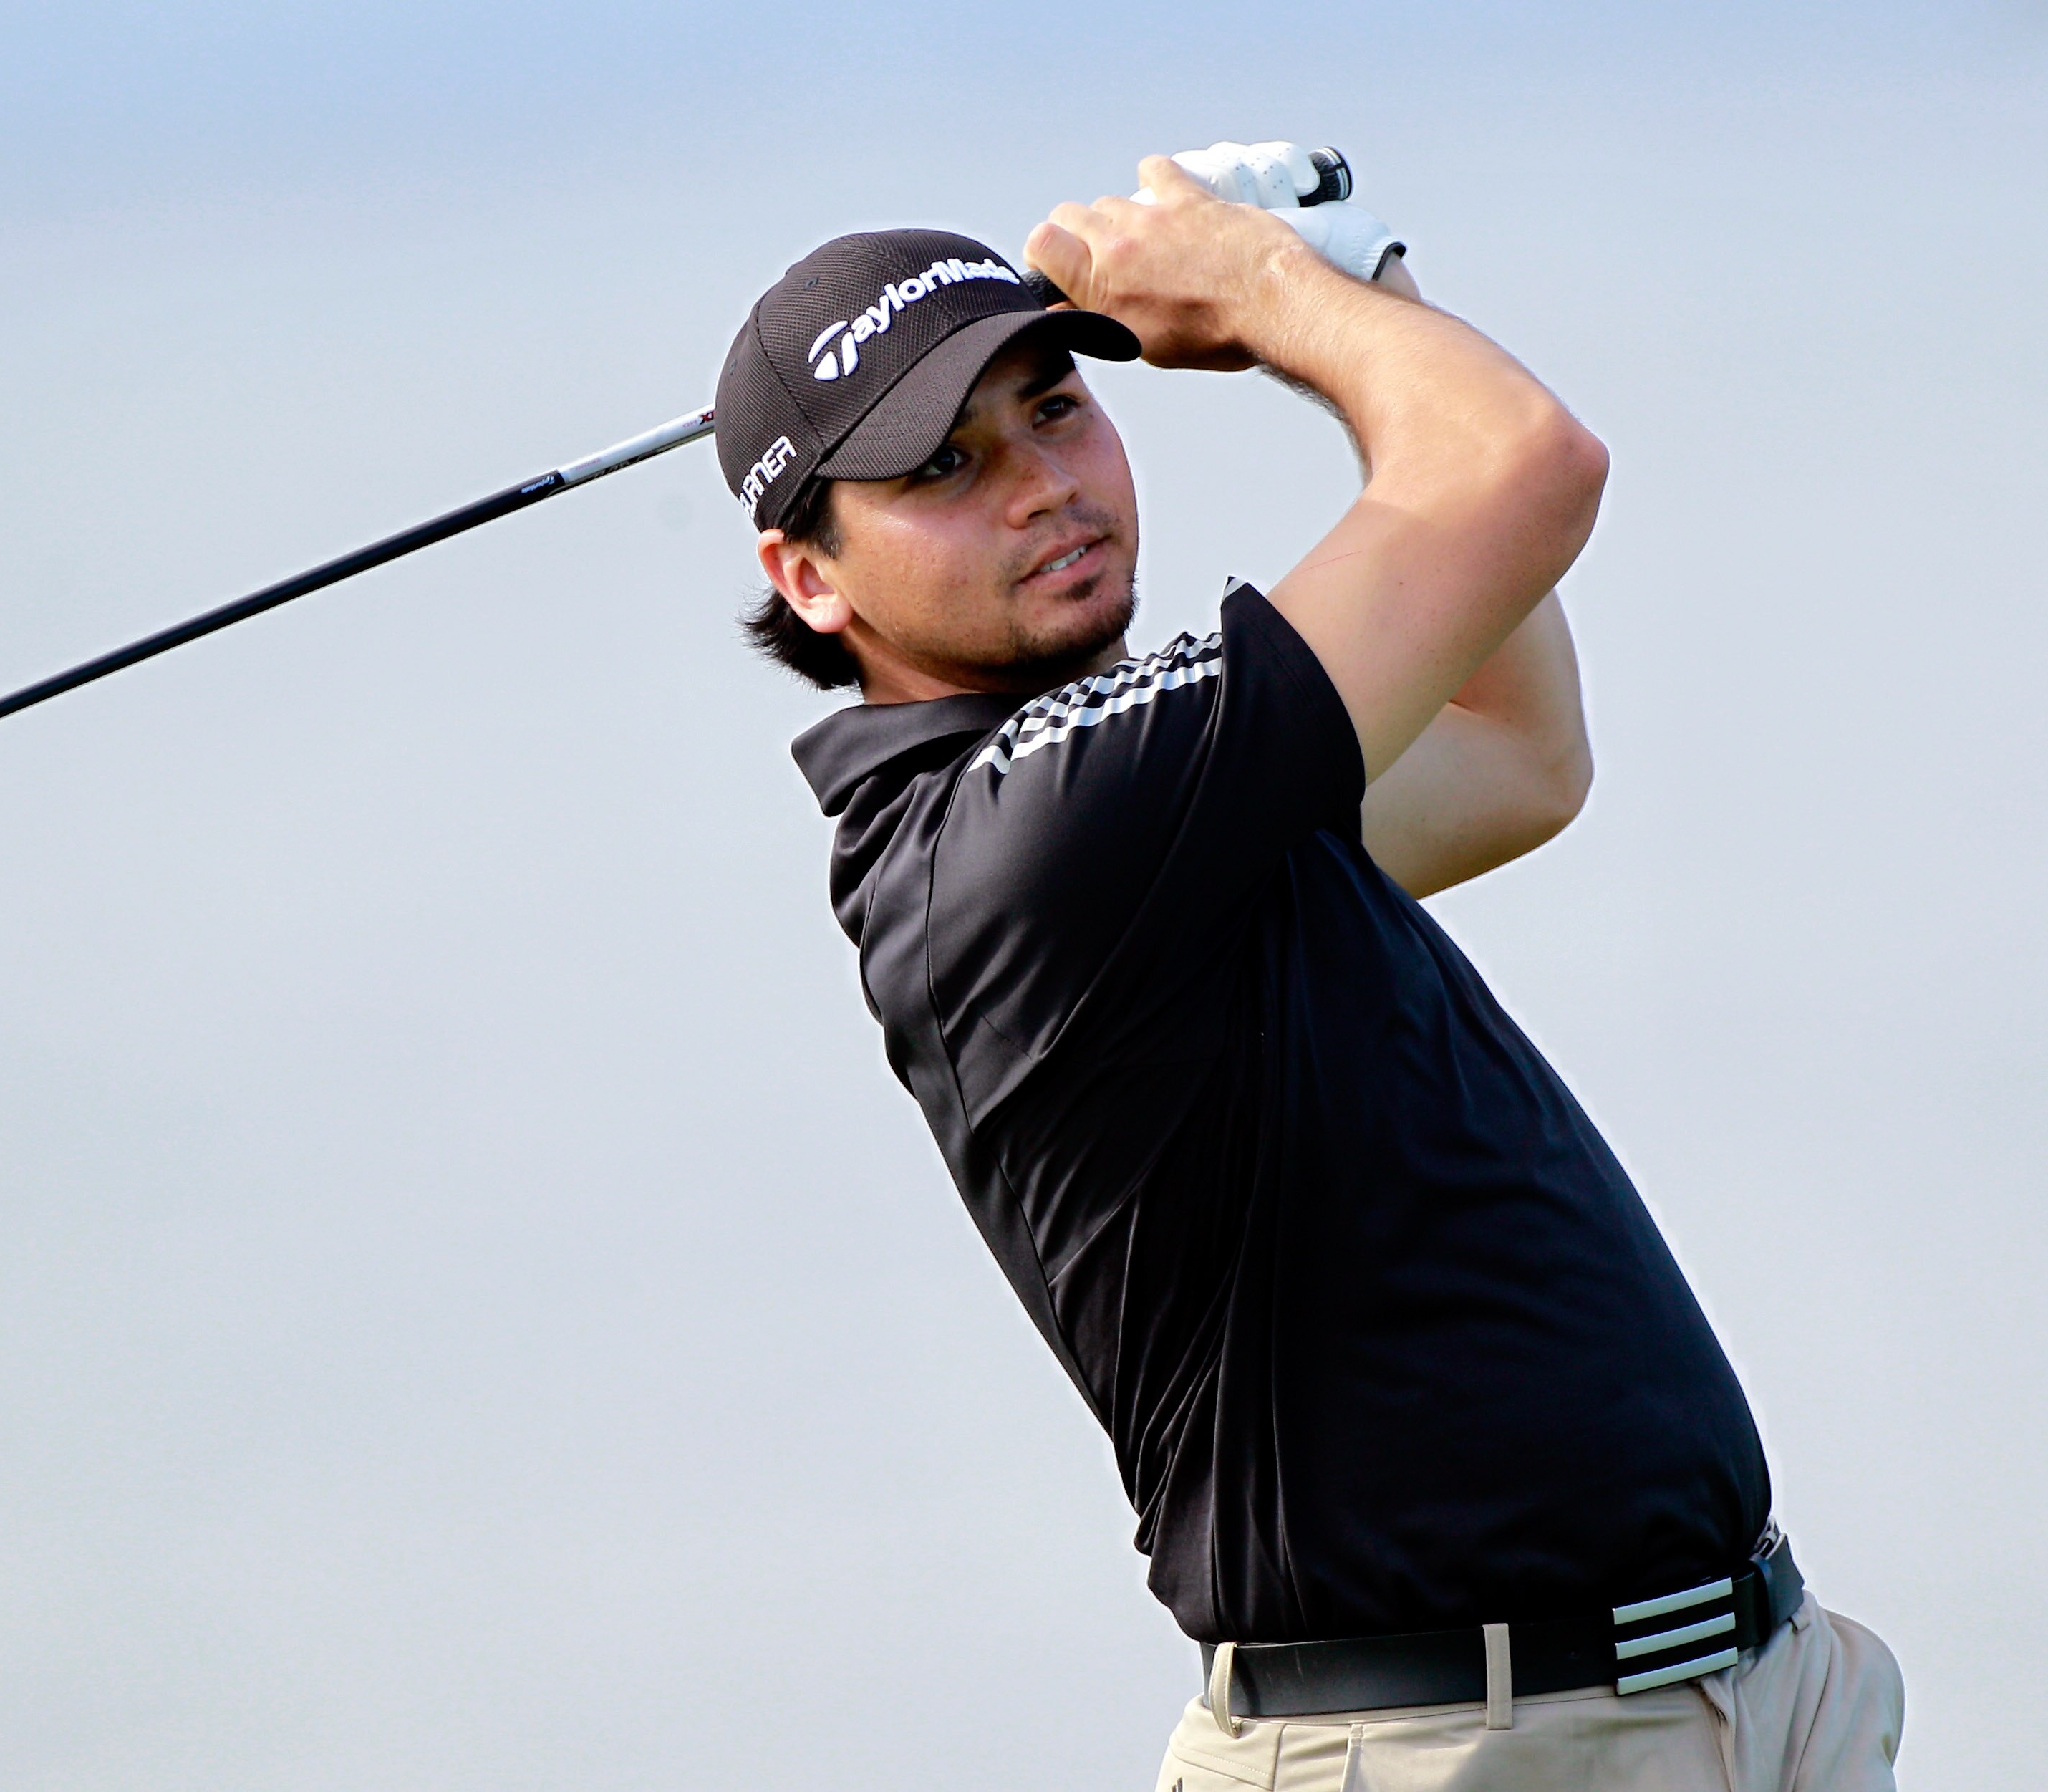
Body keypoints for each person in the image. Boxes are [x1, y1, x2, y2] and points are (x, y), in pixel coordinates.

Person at [709, 155, 1905, 1788]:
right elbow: (1522, 466)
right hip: (1451, 1752)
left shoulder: (1145, 802)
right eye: (949, 465)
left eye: (1056, 408)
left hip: (1723, 1702)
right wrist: (1275, 292)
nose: (1042, 484)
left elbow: (1517, 752)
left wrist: (1362, 281)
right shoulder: (1035, 837)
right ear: (811, 576)